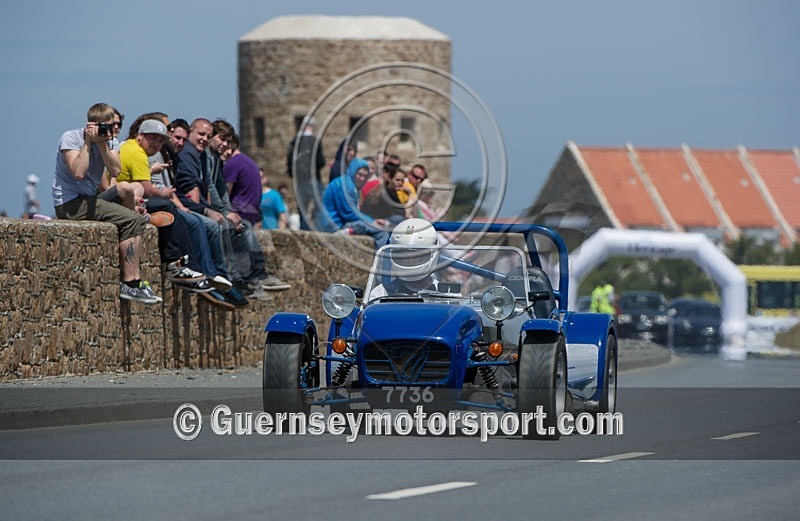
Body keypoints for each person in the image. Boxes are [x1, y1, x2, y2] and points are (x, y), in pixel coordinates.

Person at [52, 102, 161, 304]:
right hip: (70, 204)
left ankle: (136, 280)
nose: (110, 131)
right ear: (90, 124)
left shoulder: (109, 143)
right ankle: (130, 283)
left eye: (112, 126)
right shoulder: (71, 137)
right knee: (132, 220)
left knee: (132, 212)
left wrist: (101, 144)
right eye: (105, 126)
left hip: (89, 200)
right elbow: (78, 172)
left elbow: (116, 172)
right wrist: (88, 142)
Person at [117, 115, 210, 291]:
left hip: (129, 198)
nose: (156, 144)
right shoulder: (137, 153)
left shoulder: (133, 149)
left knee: (178, 214)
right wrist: (164, 193)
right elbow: (148, 189)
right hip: (124, 200)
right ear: (140, 136)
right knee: (170, 209)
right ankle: (175, 263)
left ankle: (187, 266)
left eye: (160, 141)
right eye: (152, 138)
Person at [174, 118, 246, 308]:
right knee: (211, 225)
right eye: (201, 134)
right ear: (191, 132)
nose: (204, 139)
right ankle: (214, 276)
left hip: (190, 205)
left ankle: (233, 278)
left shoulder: (203, 157)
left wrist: (223, 210)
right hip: (181, 206)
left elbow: (215, 186)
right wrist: (210, 210)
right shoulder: (190, 154)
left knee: (238, 229)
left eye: (207, 135)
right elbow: (193, 190)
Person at [221, 134, 290, 291]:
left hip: (241, 214)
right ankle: (255, 276)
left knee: (244, 233)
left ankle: (253, 276)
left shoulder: (235, 163)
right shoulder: (243, 163)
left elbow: (225, 193)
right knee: (245, 233)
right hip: (243, 215)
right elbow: (227, 193)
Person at [321, 157, 390, 248]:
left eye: (365, 176)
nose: (362, 178)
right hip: (334, 225)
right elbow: (349, 213)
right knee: (381, 232)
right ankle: (382, 260)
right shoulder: (344, 185)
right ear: (353, 171)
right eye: (359, 174)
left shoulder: (349, 184)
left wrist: (371, 221)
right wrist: (371, 222)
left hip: (338, 223)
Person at [368, 218, 440, 301]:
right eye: (404, 256)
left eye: (416, 256)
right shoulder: (381, 294)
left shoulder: (445, 294)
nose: (410, 261)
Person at [286, 117, 326, 230]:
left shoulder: (295, 141)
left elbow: (289, 161)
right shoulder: (315, 141)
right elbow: (321, 161)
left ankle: (304, 230)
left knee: (302, 209)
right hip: (313, 179)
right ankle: (320, 229)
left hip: (299, 179)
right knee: (320, 204)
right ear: (312, 127)